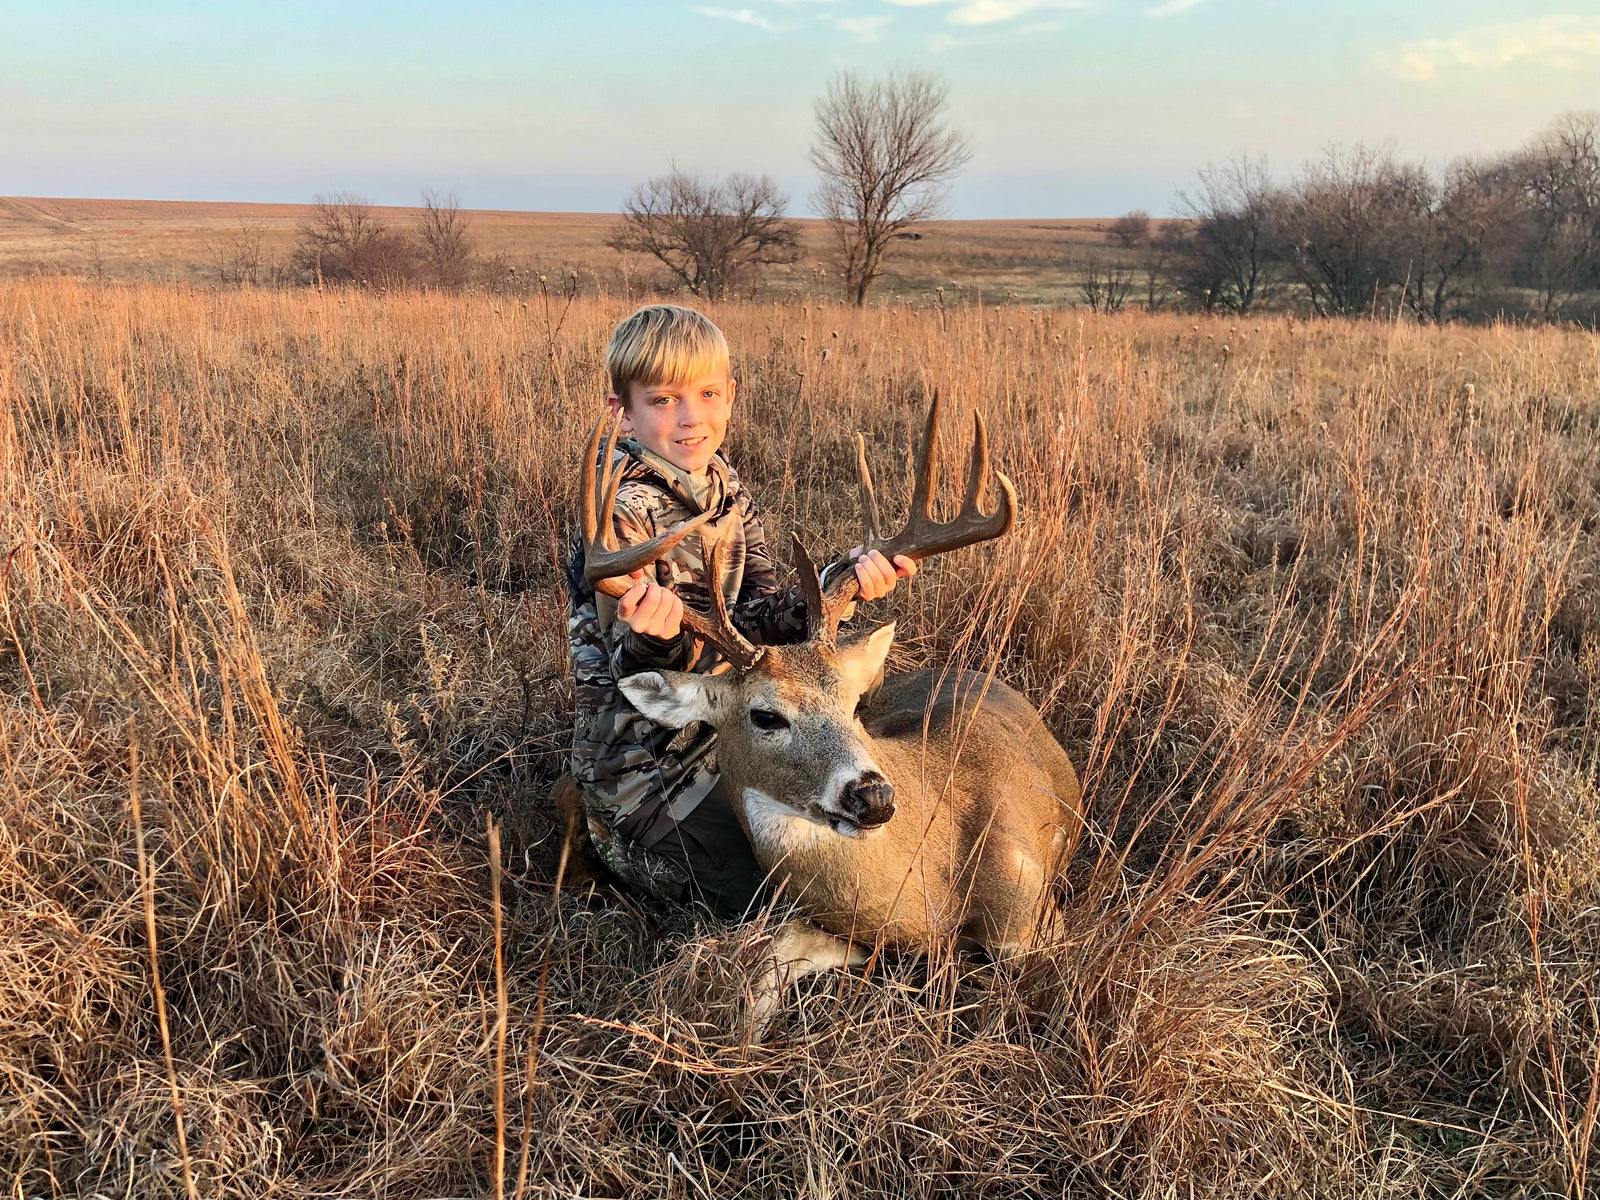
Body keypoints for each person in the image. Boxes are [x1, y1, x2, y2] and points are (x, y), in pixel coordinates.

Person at [564, 304, 914, 915]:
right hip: (650, 756)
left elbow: (762, 613)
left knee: (854, 867)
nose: (690, 417)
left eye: (705, 393)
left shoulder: (725, 486)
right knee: (770, 901)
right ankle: (602, 827)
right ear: (623, 410)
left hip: (744, 728)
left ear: (730, 396)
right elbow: (630, 673)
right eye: (663, 399)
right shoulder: (617, 515)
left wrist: (843, 582)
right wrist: (657, 639)